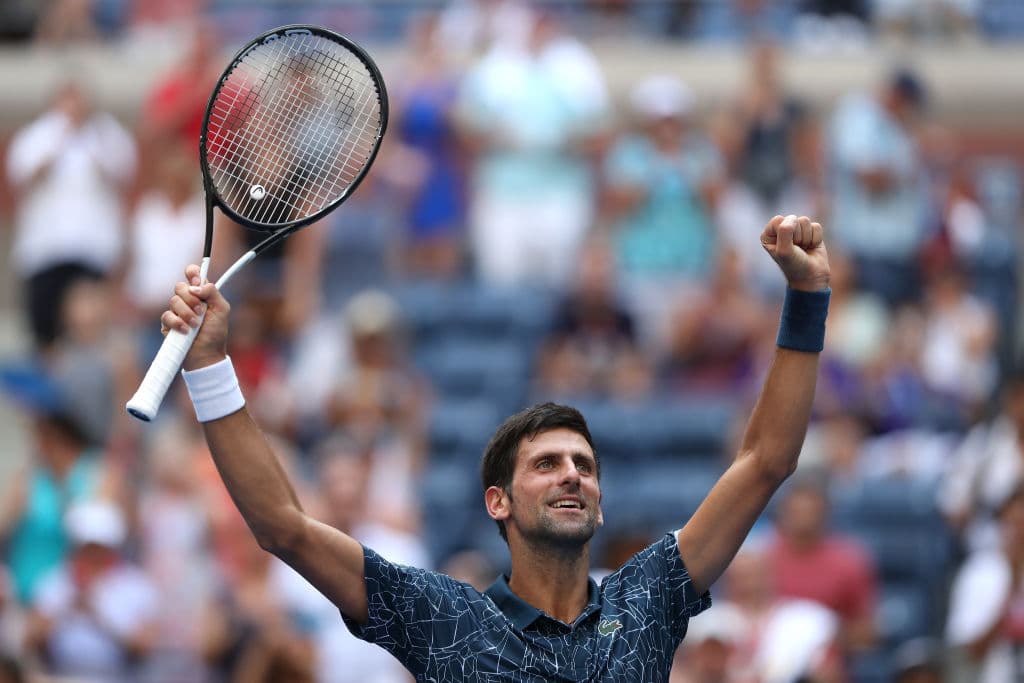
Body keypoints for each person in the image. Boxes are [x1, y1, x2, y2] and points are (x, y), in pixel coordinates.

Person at [157, 213, 831, 681]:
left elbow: (767, 460)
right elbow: (282, 526)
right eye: (547, 463)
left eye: (584, 466)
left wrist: (807, 296)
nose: (572, 474)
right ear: (497, 501)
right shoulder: (445, 617)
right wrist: (211, 363)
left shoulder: (646, 598)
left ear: (599, 506)